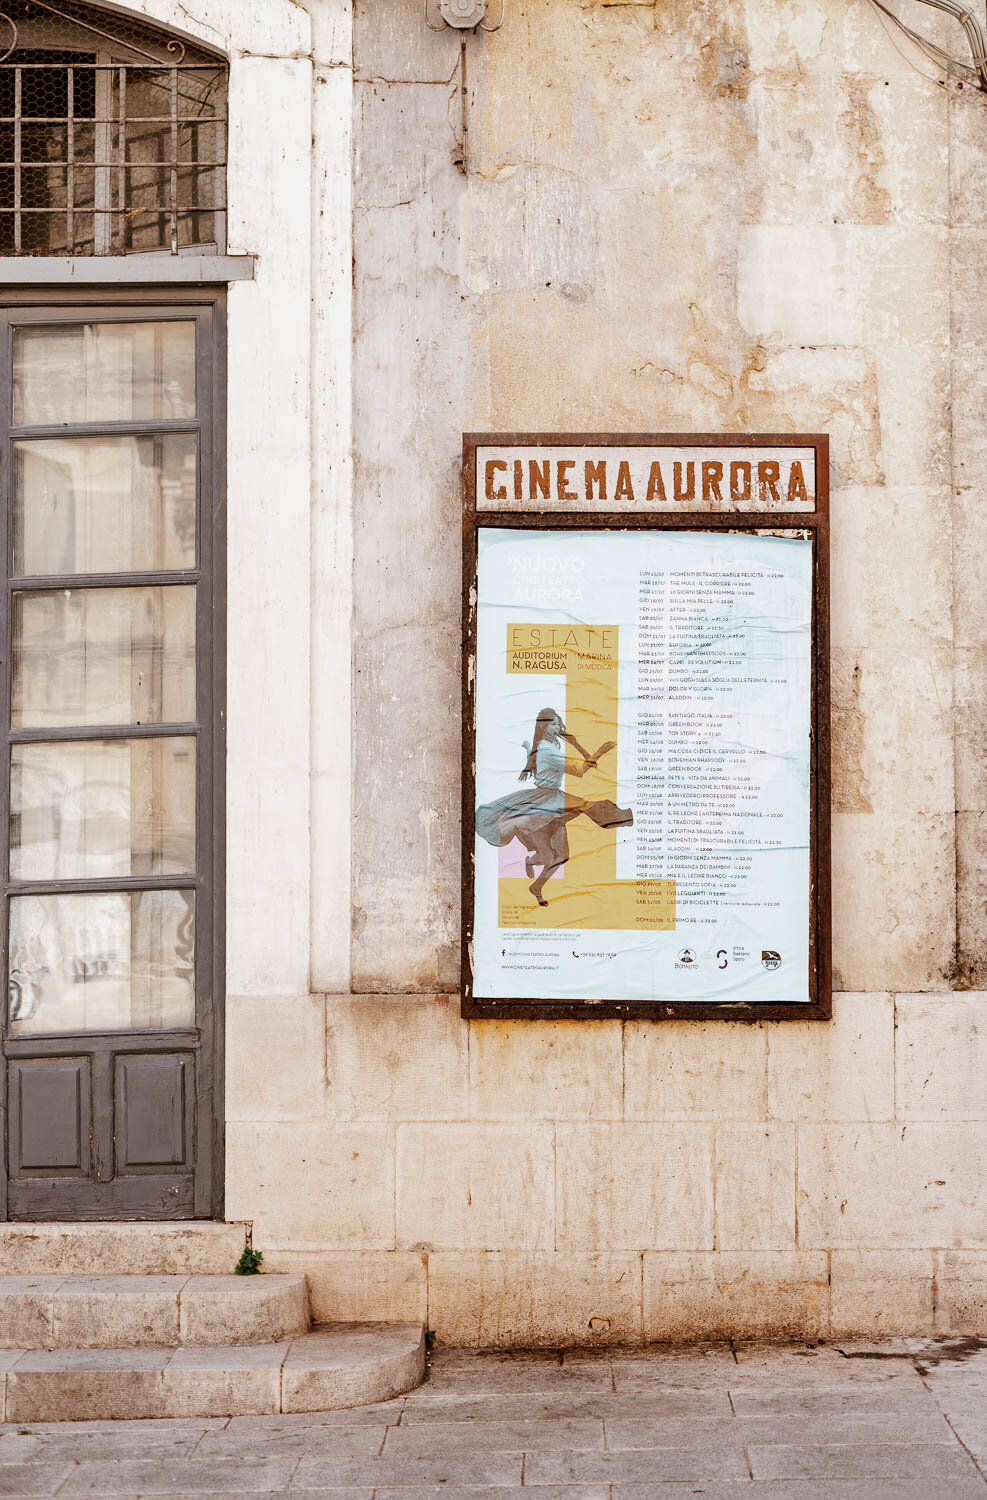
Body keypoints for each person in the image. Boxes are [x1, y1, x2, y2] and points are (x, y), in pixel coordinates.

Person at [475, 707, 632, 906]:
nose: (558, 727)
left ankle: (535, 883)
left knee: (562, 856)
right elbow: (581, 770)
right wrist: (599, 752)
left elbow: (569, 763)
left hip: (553, 800)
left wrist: (576, 744)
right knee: (583, 814)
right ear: (543, 726)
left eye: (559, 723)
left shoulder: (548, 744)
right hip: (544, 803)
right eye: (554, 724)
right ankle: (626, 818)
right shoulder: (548, 750)